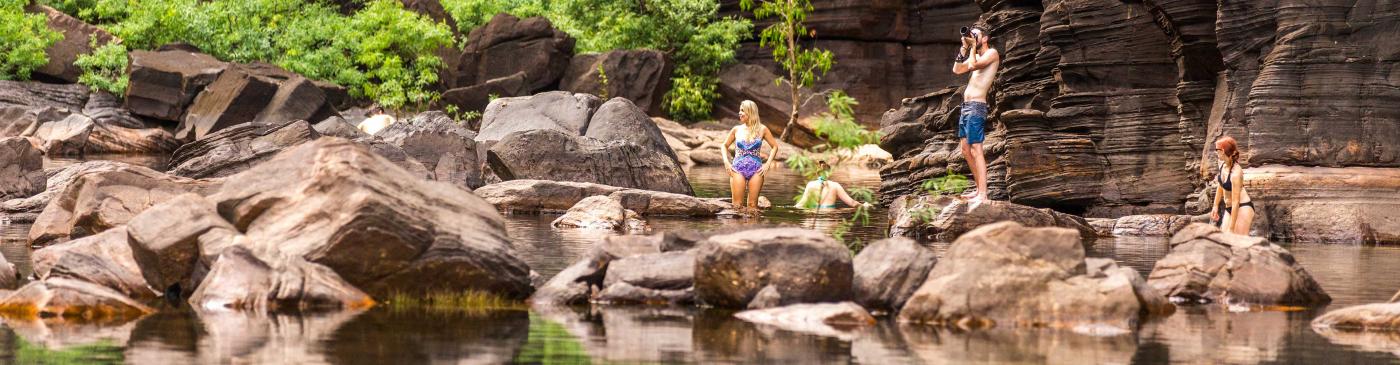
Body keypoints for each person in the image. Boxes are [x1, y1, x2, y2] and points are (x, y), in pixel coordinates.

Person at [952, 25, 1000, 204]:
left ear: (985, 38)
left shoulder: (991, 54)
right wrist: (964, 48)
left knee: (976, 149)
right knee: (965, 149)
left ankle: (983, 194)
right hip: (966, 107)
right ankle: (978, 188)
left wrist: (972, 48)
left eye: (976, 35)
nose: (973, 37)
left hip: (977, 107)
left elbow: (972, 65)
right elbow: (957, 70)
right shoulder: (976, 54)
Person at [722, 100, 780, 212]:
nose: (739, 113)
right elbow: (724, 145)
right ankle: (737, 228)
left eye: (742, 110)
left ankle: (752, 228)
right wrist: (726, 162)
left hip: (757, 170)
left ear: (750, 112)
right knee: (737, 206)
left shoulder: (763, 129)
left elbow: (775, 146)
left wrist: (767, 164)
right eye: (739, 110)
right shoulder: (736, 129)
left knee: (752, 205)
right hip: (737, 169)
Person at [1210, 136, 1255, 235]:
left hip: (1242, 207)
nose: (1215, 152)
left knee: (1238, 242)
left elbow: (1236, 202)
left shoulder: (1236, 173)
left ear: (1222, 151)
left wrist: (1231, 229)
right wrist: (1215, 206)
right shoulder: (1222, 164)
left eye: (1216, 149)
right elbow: (1220, 185)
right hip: (1229, 208)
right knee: (1224, 241)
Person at [794, 161, 868, 210]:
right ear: (829, 173)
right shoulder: (835, 185)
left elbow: (801, 204)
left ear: (817, 173)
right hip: (829, 215)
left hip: (814, 216)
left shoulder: (810, 185)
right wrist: (864, 206)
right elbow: (852, 203)